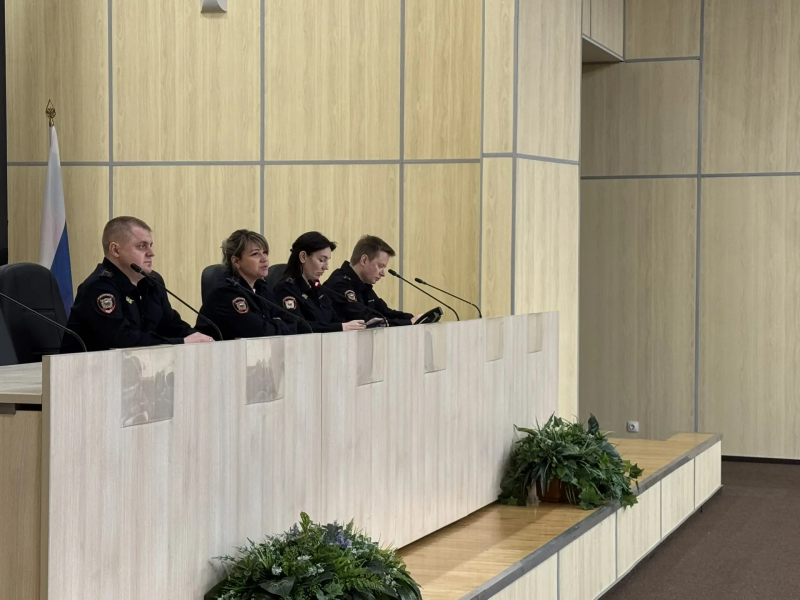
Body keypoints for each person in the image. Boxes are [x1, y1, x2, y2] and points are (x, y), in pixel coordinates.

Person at [60, 216, 213, 353]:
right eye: (142, 246)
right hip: (89, 371)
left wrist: (199, 338)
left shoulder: (152, 282)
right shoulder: (99, 288)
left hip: (137, 369)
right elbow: (120, 340)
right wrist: (182, 343)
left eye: (150, 245)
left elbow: (171, 324)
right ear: (115, 250)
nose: (151, 253)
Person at [196, 229, 295, 340]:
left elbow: (294, 323)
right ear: (236, 262)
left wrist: (274, 323)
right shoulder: (225, 293)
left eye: (265, 252)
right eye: (255, 254)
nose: (264, 259)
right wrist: (278, 323)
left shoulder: (261, 288)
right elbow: (258, 332)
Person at [273, 232, 370, 333]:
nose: (326, 267)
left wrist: (363, 324)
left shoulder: (317, 288)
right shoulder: (286, 289)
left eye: (327, 260)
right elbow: (299, 326)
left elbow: (334, 320)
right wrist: (341, 327)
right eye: (321, 260)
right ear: (303, 257)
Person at [325, 235, 420, 326]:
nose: (383, 273)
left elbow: (385, 312)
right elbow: (366, 321)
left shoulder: (364, 285)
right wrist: (408, 322)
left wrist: (415, 319)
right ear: (364, 260)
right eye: (380, 266)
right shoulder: (339, 284)